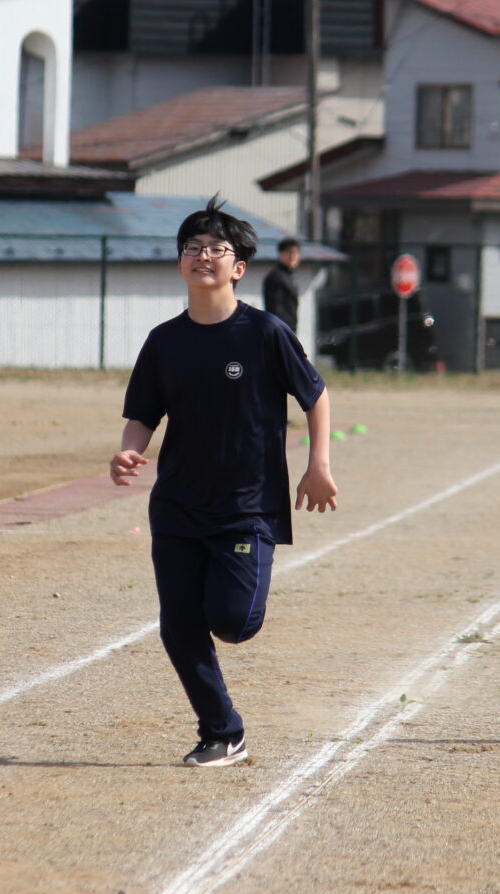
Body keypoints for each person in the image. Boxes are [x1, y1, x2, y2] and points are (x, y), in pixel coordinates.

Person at [112, 198, 337, 767]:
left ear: (238, 267)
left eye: (216, 249)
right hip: (179, 505)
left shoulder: (264, 332)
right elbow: (144, 413)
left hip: (246, 506)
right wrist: (128, 452)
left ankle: (223, 705)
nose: (203, 256)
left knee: (231, 621)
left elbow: (316, 395)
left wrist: (319, 465)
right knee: (177, 627)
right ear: (179, 263)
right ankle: (222, 730)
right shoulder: (165, 340)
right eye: (193, 247)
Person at [263, 237, 301, 332]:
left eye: (296, 253)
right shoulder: (276, 277)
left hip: (289, 330)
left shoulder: (289, 276)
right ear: (280, 254)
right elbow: (275, 309)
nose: (293, 256)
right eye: (289, 252)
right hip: (280, 331)